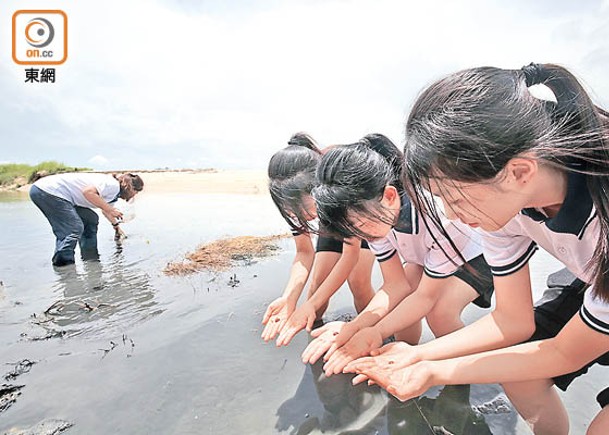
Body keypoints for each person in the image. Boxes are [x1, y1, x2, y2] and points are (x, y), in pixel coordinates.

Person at [345, 63, 609, 434]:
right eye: (441, 199)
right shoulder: (509, 209)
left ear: (519, 172)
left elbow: (564, 352)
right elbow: (512, 321)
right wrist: (417, 355)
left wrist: (433, 371)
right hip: (590, 277)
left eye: (454, 197)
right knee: (518, 375)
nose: (451, 215)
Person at [302, 134, 493, 377]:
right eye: (352, 231)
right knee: (401, 306)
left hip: (475, 255)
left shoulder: (440, 219)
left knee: (441, 311)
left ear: (390, 196)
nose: (361, 236)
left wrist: (377, 331)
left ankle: (459, 375)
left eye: (359, 225)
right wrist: (356, 327)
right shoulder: (376, 219)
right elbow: (395, 285)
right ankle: (401, 360)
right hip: (427, 256)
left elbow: (425, 297)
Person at [261, 133, 377, 347]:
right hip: (329, 219)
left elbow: (350, 256)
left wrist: (310, 305)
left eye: (304, 210)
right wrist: (289, 298)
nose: (302, 217)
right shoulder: (288, 194)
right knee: (317, 286)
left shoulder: (337, 181)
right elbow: (304, 252)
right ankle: (314, 344)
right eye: (293, 212)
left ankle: (371, 334)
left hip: (357, 209)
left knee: (358, 282)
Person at [30, 172, 144, 266]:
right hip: (48, 191)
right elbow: (88, 192)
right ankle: (64, 267)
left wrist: (116, 227)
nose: (135, 195)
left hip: (60, 196)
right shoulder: (112, 185)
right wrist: (110, 209)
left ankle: (90, 259)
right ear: (129, 186)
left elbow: (106, 211)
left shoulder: (114, 195)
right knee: (73, 228)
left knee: (90, 219)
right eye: (136, 191)